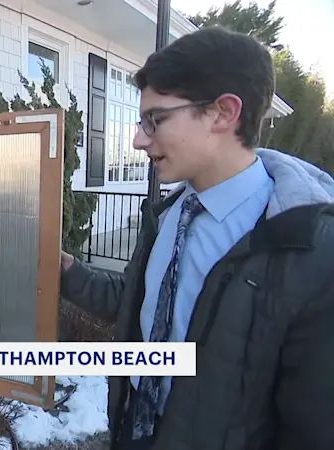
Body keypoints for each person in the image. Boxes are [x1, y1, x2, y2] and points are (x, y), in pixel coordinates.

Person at [60, 25, 334, 450]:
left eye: (156, 119)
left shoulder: (310, 249)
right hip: (135, 428)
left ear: (223, 113)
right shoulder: (169, 213)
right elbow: (139, 302)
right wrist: (68, 273)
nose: (137, 139)